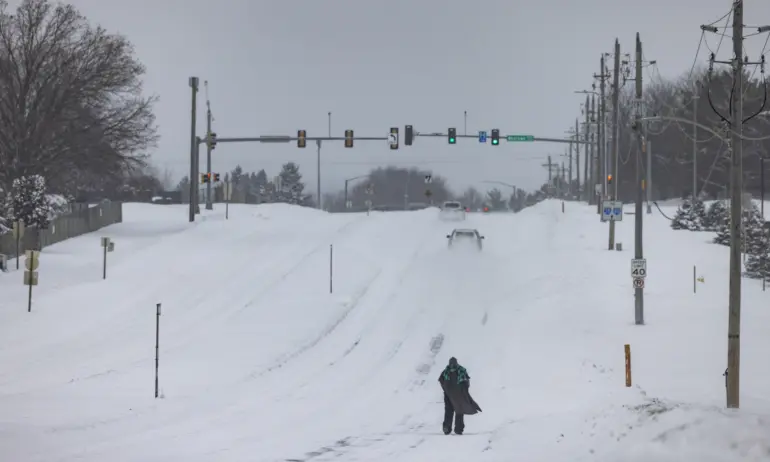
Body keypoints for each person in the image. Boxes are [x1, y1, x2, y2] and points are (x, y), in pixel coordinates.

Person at [438, 357, 481, 435]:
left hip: (453, 394)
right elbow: (466, 382)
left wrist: (446, 389)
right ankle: (456, 429)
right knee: (457, 410)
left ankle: (450, 428)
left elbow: (441, 380)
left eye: (453, 364)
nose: (452, 366)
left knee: (452, 411)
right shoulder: (459, 371)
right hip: (454, 395)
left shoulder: (448, 371)